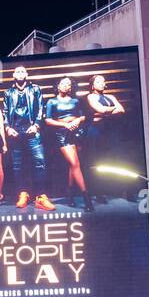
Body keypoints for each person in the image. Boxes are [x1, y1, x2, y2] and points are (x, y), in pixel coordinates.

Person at [2, 66, 52, 212]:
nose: (20, 73)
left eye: (22, 71)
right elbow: (5, 111)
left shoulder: (35, 89)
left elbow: (41, 108)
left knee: (40, 162)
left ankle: (41, 197)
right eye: (17, 71)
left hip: (32, 131)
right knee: (18, 166)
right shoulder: (8, 92)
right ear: (13, 75)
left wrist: (36, 125)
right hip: (15, 132)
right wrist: (8, 128)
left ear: (27, 74)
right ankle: (23, 194)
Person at [44, 76, 93, 212]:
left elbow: (83, 116)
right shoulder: (51, 102)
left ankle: (70, 195)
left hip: (77, 132)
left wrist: (77, 121)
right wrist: (65, 125)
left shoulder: (76, 101)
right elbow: (48, 120)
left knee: (74, 164)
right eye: (63, 83)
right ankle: (86, 198)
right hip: (62, 134)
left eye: (69, 84)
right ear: (58, 86)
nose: (66, 86)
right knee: (75, 164)